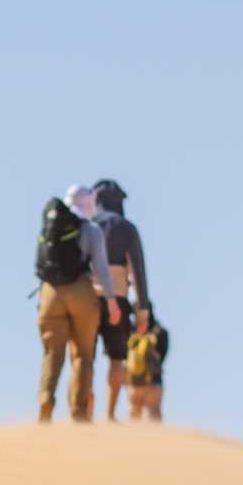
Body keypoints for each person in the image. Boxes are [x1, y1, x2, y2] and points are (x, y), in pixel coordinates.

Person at [36, 184, 120, 422]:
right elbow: (101, 269)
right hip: (81, 291)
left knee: (53, 352)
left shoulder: (51, 226)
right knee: (83, 354)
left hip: (50, 293)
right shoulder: (91, 229)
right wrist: (112, 301)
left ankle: (45, 399)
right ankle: (78, 412)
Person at [91, 178, 152, 421]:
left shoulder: (88, 224)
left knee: (83, 357)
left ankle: (82, 410)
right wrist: (142, 310)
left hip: (87, 298)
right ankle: (110, 412)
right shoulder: (127, 228)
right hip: (118, 296)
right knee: (117, 357)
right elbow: (138, 271)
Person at [127, 312, 168, 421]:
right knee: (153, 420)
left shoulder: (131, 332)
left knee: (133, 420)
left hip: (133, 383)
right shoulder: (161, 332)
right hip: (154, 383)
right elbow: (162, 356)